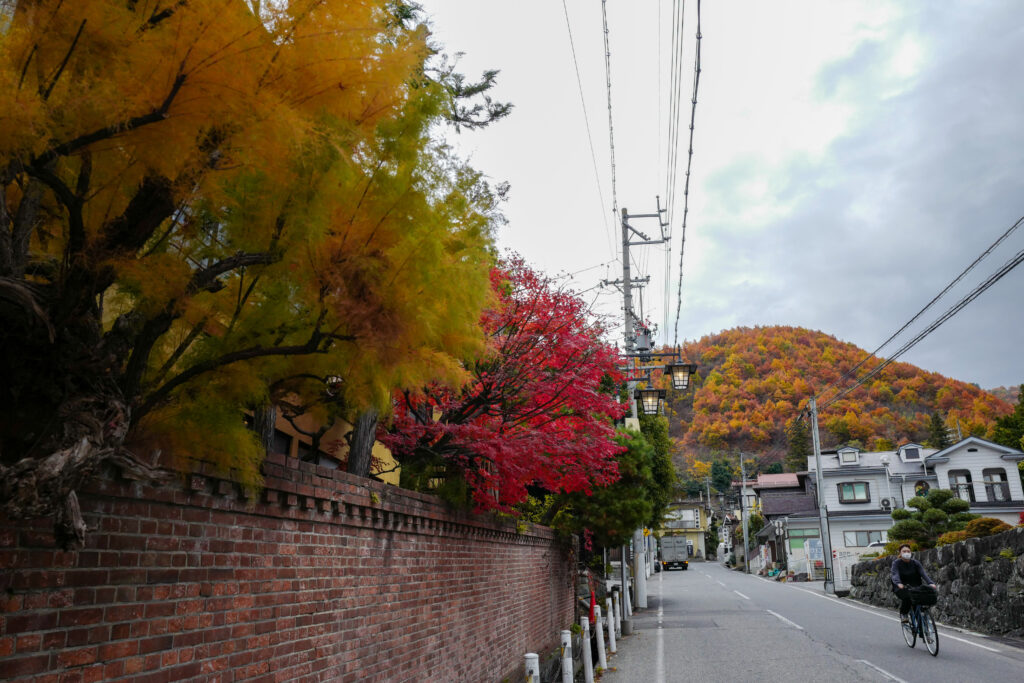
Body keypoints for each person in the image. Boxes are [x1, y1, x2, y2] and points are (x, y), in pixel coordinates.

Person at [891, 543, 937, 623]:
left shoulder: (915, 563)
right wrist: (898, 583)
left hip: (915, 585)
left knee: (923, 597)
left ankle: (922, 623)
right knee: (908, 597)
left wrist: (930, 583)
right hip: (901, 586)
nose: (906, 553)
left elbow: (923, 573)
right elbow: (895, 574)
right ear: (900, 553)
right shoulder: (896, 563)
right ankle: (904, 614)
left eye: (908, 551)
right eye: (904, 551)